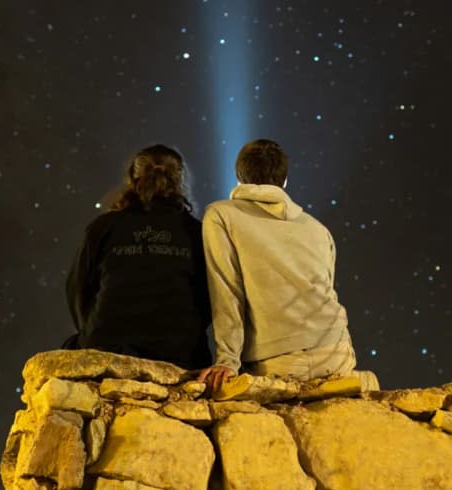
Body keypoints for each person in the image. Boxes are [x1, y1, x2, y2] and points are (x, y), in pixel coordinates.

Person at [199, 138, 359, 391]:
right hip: (338, 352)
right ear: (284, 181)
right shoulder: (318, 229)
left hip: (280, 361)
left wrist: (227, 361)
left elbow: (227, 292)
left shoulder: (221, 216)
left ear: (239, 177)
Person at [65, 143, 212, 367]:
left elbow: (78, 287)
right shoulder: (195, 231)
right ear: (180, 180)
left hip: (109, 344)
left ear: (132, 178)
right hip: (180, 350)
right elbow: (208, 296)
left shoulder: (104, 227)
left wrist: (92, 329)